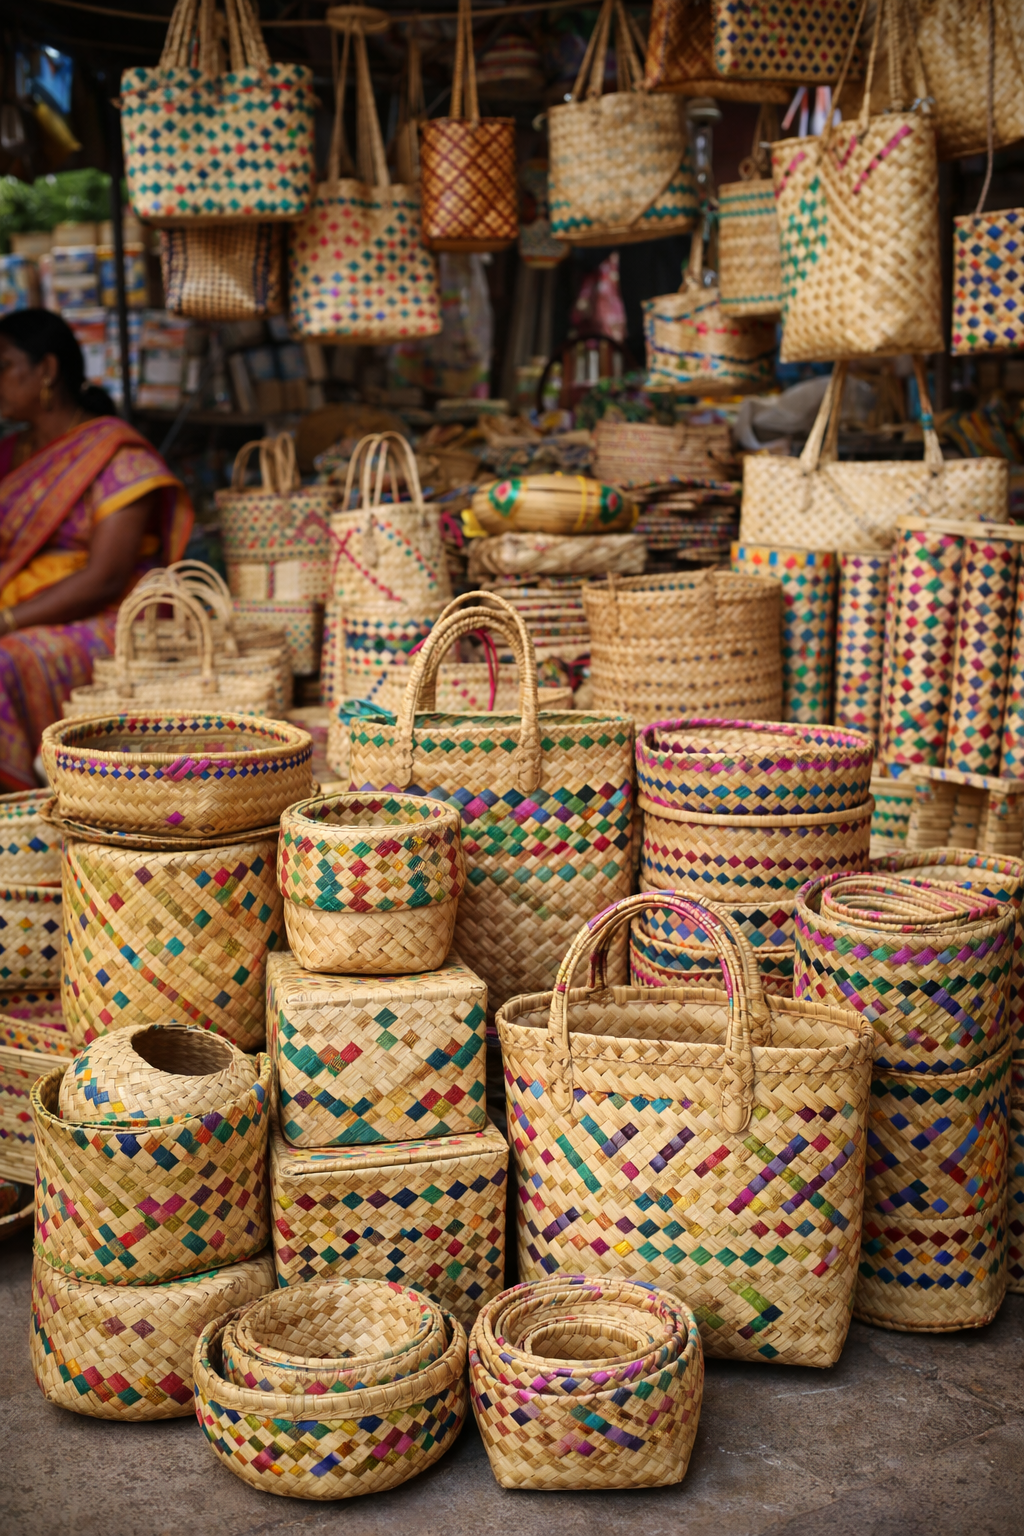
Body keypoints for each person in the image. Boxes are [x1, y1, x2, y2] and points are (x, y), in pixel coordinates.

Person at [0, 308, 193, 789]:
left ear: (46, 370)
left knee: (4, 661)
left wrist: (8, 620)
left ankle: (24, 808)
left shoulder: (118, 456)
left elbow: (104, 578)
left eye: (2, 366)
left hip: (110, 615)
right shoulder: (10, 453)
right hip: (19, 599)